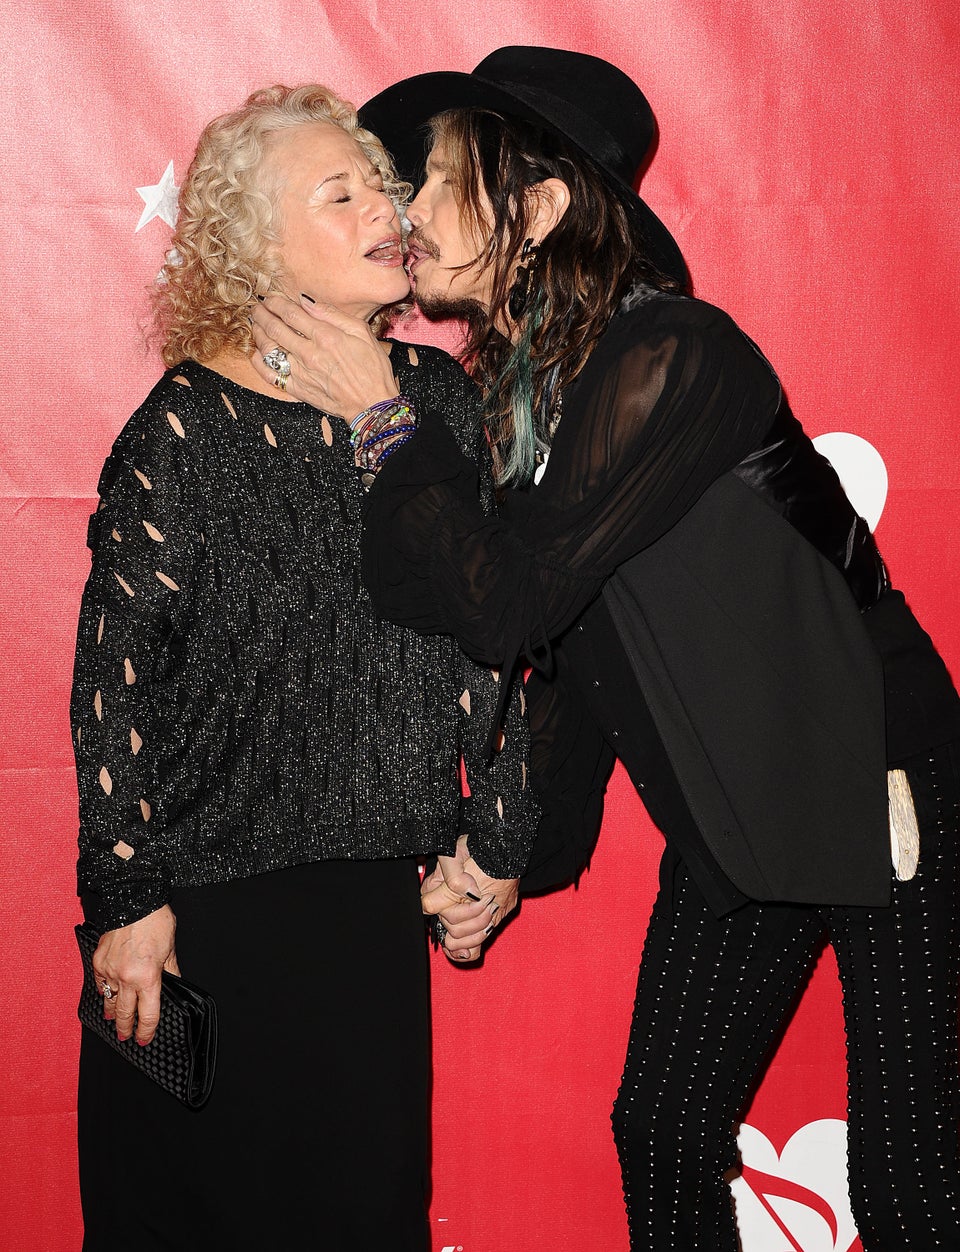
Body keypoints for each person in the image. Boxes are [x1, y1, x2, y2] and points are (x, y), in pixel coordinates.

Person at [248, 47, 960, 1252]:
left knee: (912, 1187)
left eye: (437, 178)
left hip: (879, 776)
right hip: (739, 799)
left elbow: (510, 599)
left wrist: (382, 417)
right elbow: (576, 649)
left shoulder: (671, 352)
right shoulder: (533, 388)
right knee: (665, 1131)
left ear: (538, 204)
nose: (408, 208)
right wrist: (517, 848)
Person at [70, 82, 538, 1252]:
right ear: (254, 243)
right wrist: (126, 902)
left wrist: (505, 831)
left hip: (364, 918)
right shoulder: (182, 430)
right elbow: (115, 686)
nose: (387, 206)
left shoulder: (433, 397)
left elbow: (498, 635)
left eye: (384, 184)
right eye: (343, 191)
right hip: (201, 918)